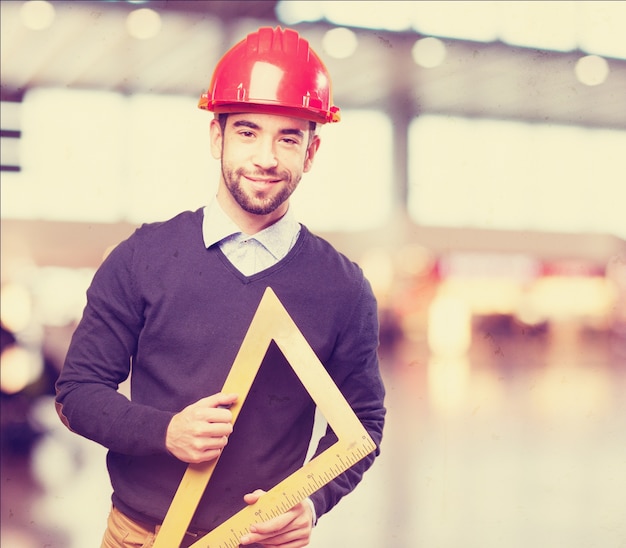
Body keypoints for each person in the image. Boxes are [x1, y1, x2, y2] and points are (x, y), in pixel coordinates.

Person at [55, 26, 386, 548]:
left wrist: (312, 502)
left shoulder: (343, 288)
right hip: (139, 537)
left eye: (289, 137)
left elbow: (363, 422)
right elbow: (78, 393)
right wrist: (164, 432)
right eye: (249, 131)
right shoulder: (141, 259)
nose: (267, 157)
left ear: (312, 150)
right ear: (217, 136)